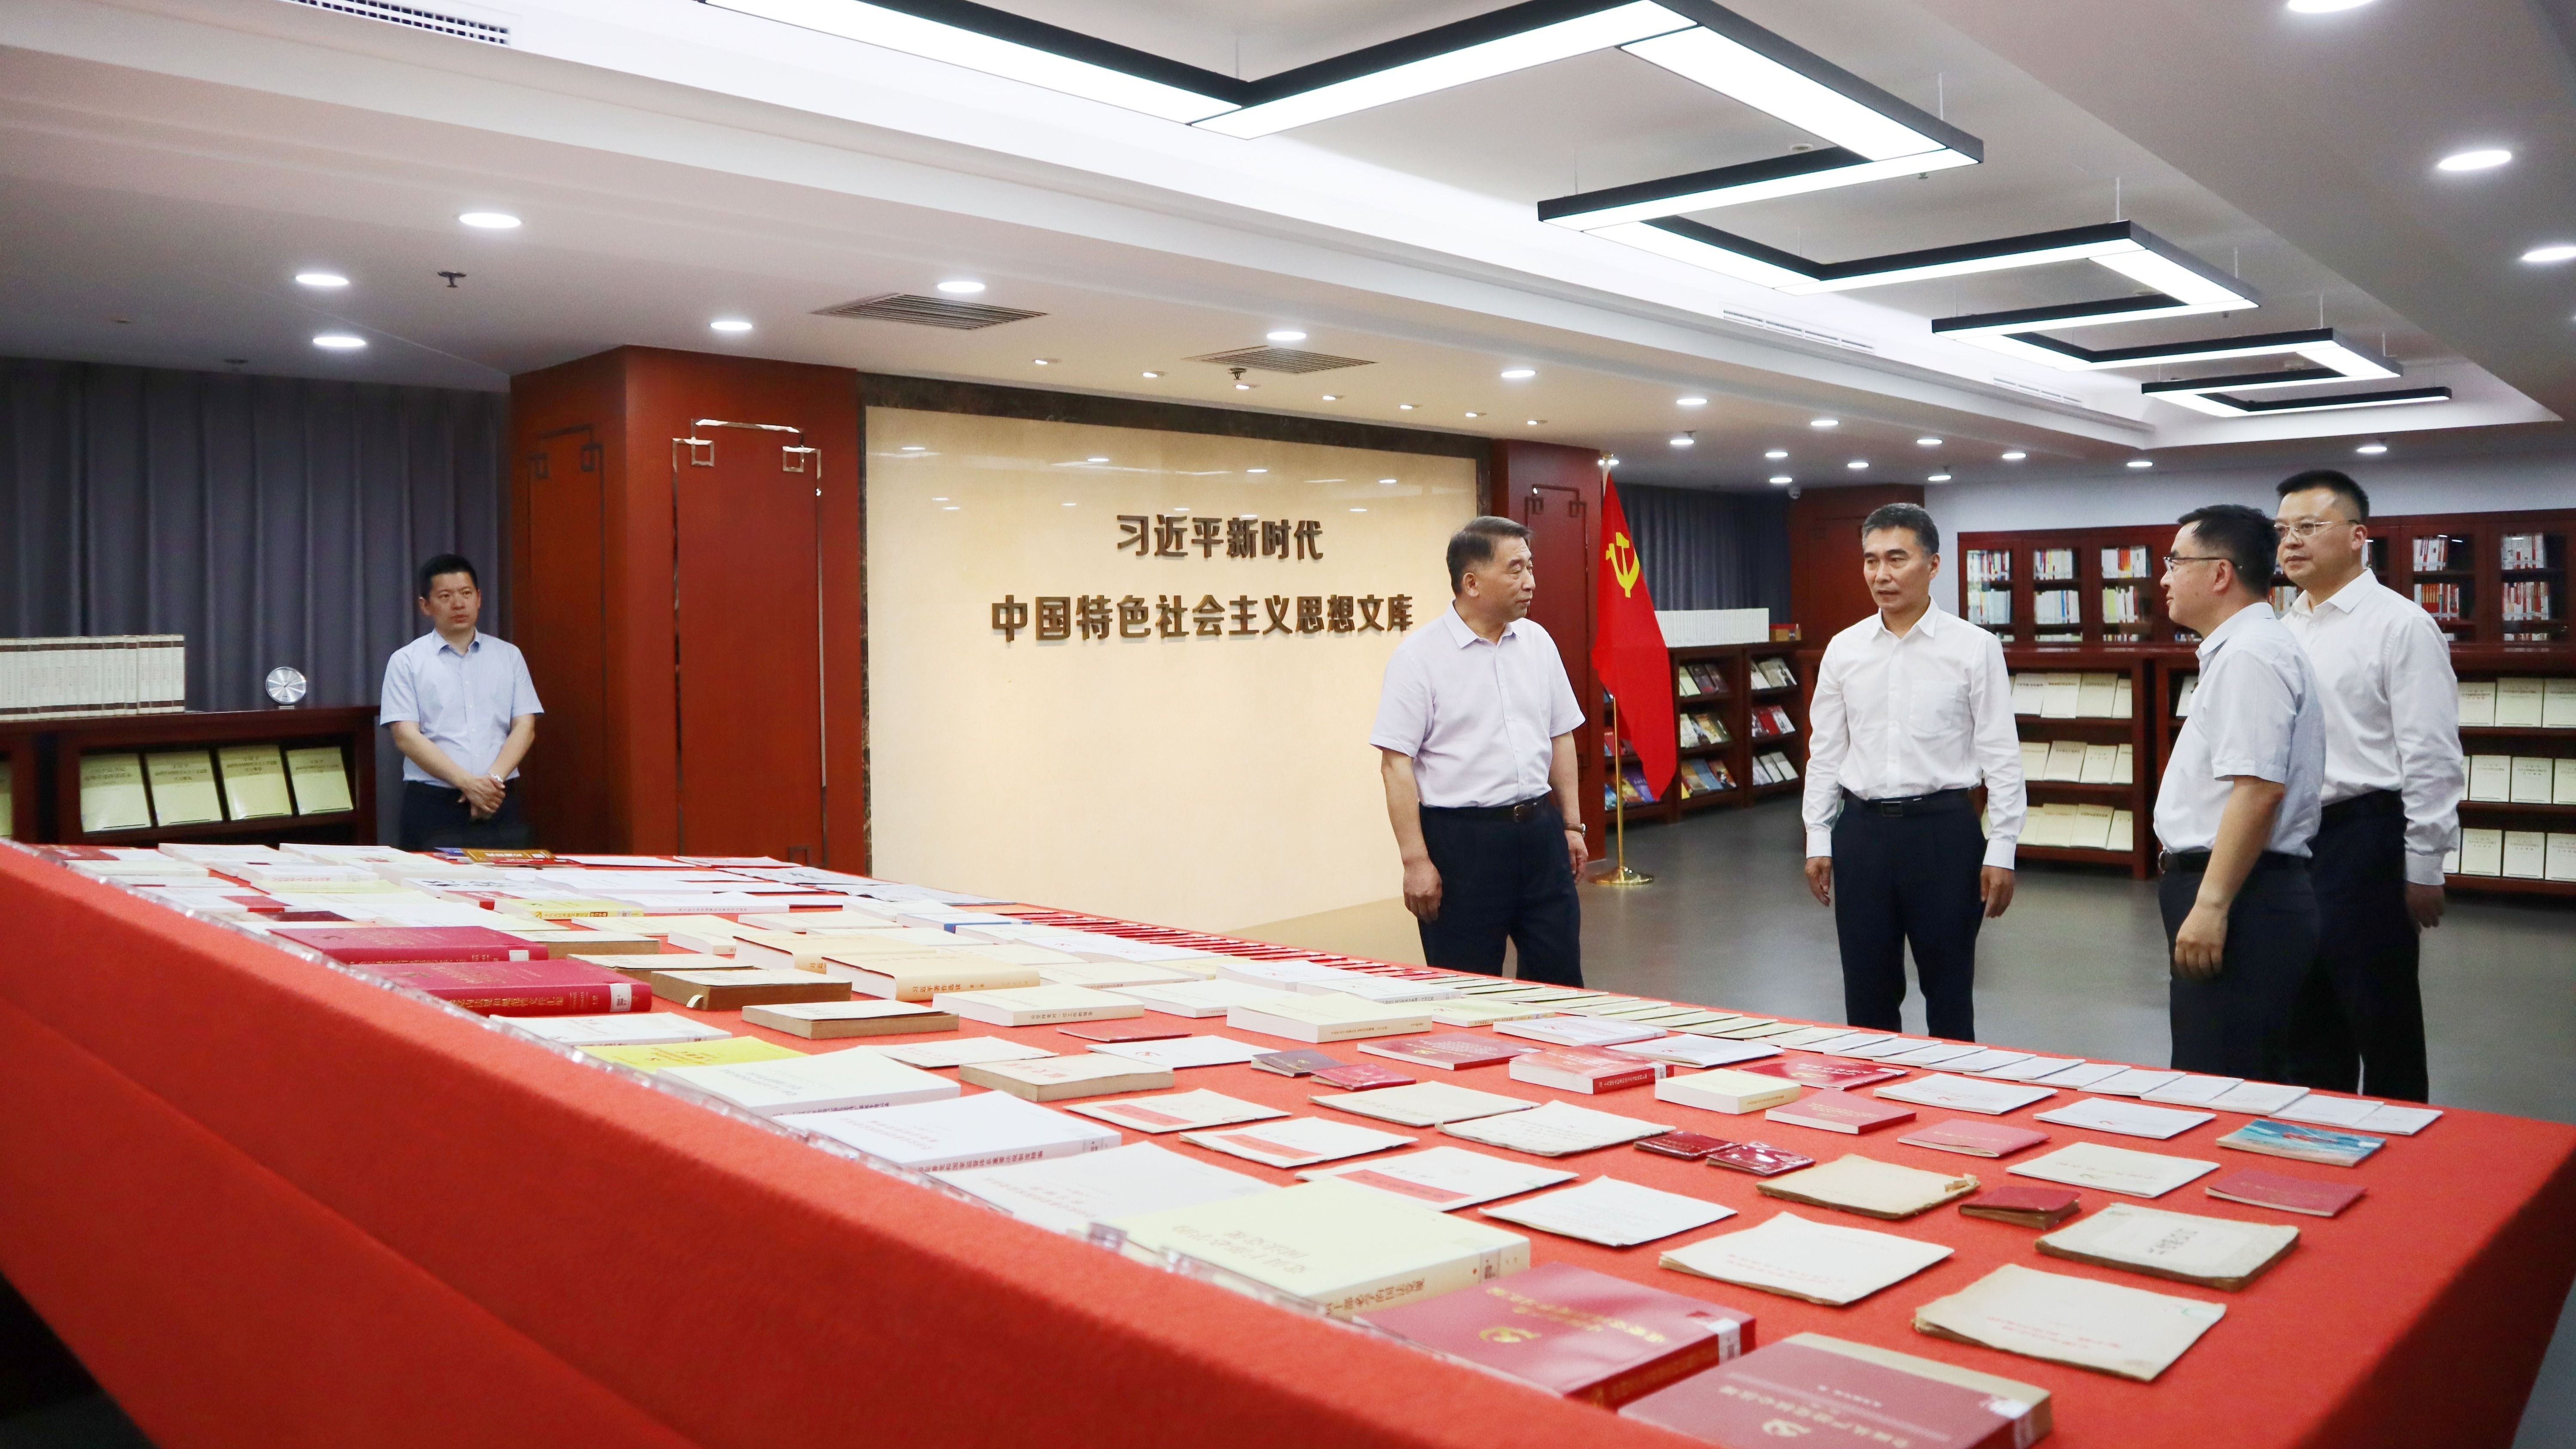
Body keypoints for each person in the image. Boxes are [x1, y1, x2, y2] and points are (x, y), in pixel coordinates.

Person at [1801, 503, 2025, 1041]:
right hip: (1862, 835)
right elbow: (1825, 751)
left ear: (1933, 565)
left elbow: (2001, 753)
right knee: (1867, 996)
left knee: (1949, 994)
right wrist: (1817, 836)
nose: (1881, 574)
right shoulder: (1844, 650)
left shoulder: (1974, 648)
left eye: (1897, 559)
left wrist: (2002, 848)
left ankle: (1955, 1091)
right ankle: (1874, 1086)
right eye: (1871, 560)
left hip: (1944, 834)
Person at [2273, 470, 2461, 1102]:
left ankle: (2401, 1142)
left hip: (2365, 834)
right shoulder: (2283, 628)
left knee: (2380, 1016)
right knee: (2305, 1017)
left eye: (2309, 526)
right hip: (2291, 838)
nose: (2291, 542)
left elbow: (2430, 752)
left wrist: (2425, 864)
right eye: (2282, 530)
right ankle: (2316, 1138)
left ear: (2358, 536)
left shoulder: (2400, 625)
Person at [1371, 516, 1589, 986]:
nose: (1530, 582)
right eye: (1515, 569)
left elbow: (1561, 735)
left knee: (1559, 981)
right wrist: (1415, 861)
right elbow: (1395, 765)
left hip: (1540, 834)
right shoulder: (1419, 658)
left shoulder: (1538, 643)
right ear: (1471, 583)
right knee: (1467, 989)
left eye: (1530, 567)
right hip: (1463, 845)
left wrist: (1572, 824)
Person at [2154, 504, 2325, 1079]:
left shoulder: (2251, 654)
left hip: (2242, 891)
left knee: (2222, 1079)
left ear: (2220, 573)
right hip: (2241, 884)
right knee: (2225, 1065)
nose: (2165, 578)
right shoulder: (2244, 648)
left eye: (2175, 562)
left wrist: (2210, 904)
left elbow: (2258, 791)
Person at [380, 554, 543, 851]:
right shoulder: (406, 661)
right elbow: (405, 736)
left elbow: (525, 726)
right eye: (446, 596)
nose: (458, 604)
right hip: (435, 805)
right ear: (425, 605)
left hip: (499, 800)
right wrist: (468, 784)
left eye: (466, 594)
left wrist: (490, 783)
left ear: (479, 598)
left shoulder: (509, 656)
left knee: (511, 879)